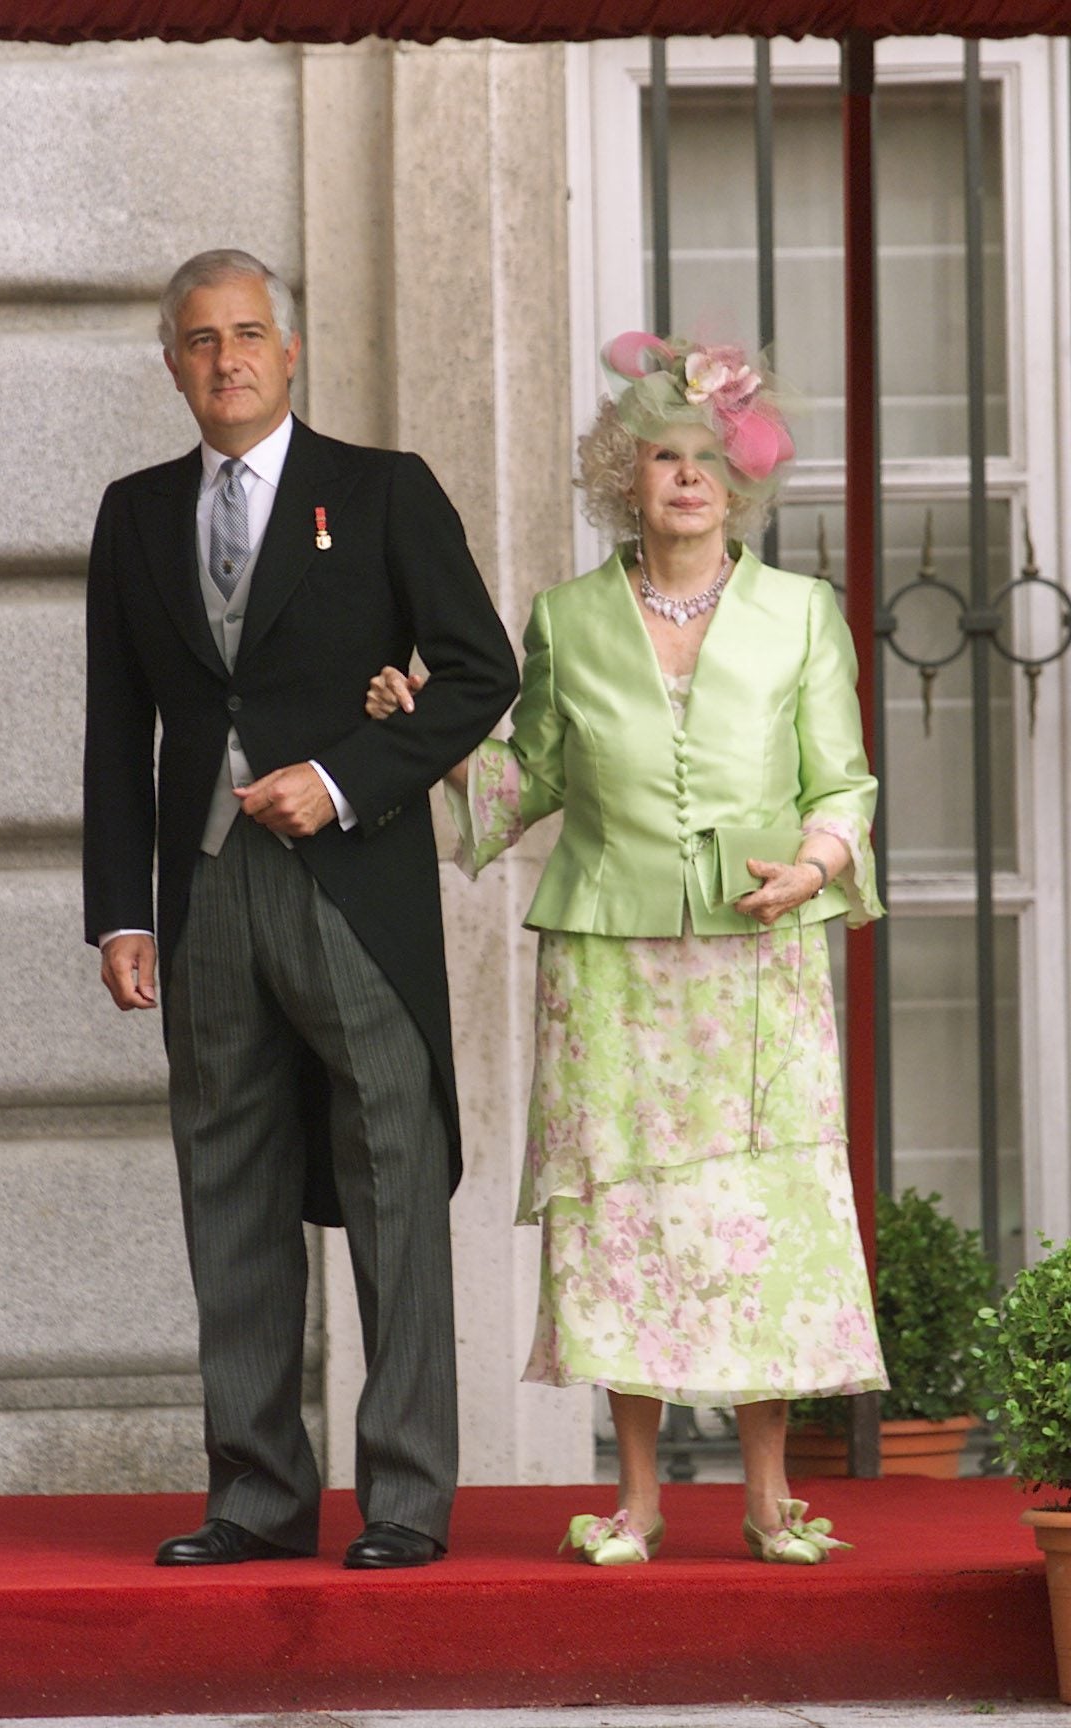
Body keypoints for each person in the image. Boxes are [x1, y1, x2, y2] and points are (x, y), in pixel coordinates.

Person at [366, 330, 887, 1567]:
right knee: (627, 1226)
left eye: (709, 456)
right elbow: (529, 782)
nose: (688, 476)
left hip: (759, 957)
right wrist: (427, 735)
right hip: (612, 971)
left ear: (742, 480)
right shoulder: (568, 619)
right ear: (625, 477)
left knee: (760, 1218)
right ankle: (639, 1499)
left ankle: (769, 1499)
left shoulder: (803, 615)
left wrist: (815, 866)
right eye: (662, 455)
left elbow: (843, 784)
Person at [83, 249, 519, 1571]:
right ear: (174, 364)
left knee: (393, 1176)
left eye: (248, 334)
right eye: (201, 340)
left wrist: (339, 780)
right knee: (227, 1181)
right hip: (205, 892)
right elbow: (119, 731)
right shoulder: (135, 513)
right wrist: (120, 913)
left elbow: (480, 672)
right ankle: (258, 1495)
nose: (227, 360)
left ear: (290, 351)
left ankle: (405, 1499)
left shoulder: (383, 492)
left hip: (350, 888)